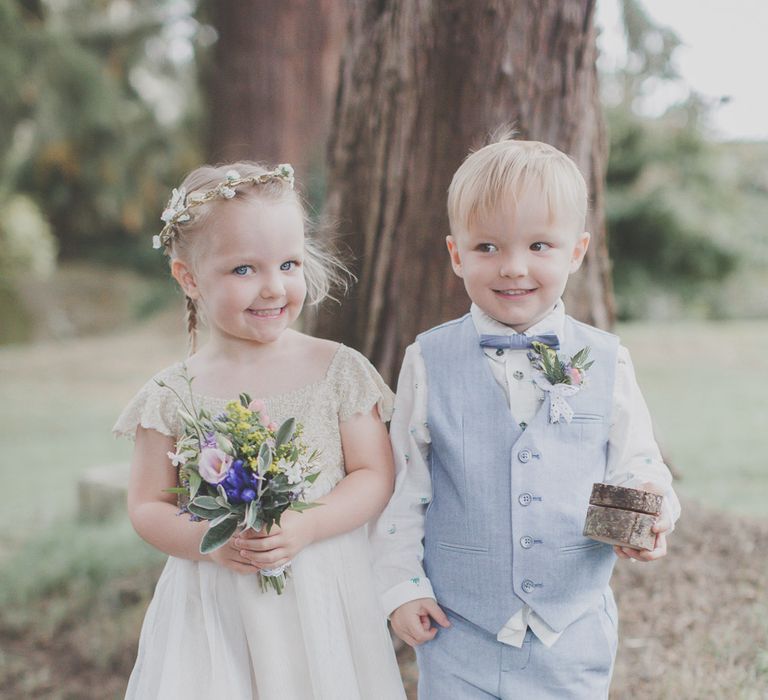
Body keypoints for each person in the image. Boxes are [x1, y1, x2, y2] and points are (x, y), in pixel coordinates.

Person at [370, 137, 681, 699]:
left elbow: (640, 463)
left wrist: (651, 517)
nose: (514, 268)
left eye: (540, 245)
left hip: (573, 629)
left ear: (577, 251)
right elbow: (403, 487)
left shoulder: (608, 359)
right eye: (487, 247)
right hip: (457, 628)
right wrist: (400, 587)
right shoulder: (428, 360)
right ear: (456, 254)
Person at [113, 161, 406, 699]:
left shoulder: (337, 369)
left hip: (321, 599)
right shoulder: (172, 394)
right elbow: (147, 505)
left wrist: (306, 525)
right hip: (215, 605)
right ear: (189, 277)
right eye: (244, 269)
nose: (273, 287)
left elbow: (374, 474)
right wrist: (211, 541)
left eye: (289, 264)